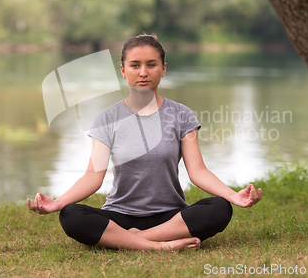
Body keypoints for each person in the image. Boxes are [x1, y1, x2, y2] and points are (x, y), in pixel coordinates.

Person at [27, 34, 262, 251]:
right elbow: (92, 177)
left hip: (170, 216)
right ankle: (160, 246)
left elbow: (198, 171)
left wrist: (233, 196)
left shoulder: (182, 115)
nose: (143, 72)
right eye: (135, 65)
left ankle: (132, 239)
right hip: (119, 214)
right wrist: (57, 203)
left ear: (163, 69)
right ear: (123, 70)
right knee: (71, 215)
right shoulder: (107, 118)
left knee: (220, 209)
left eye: (151, 65)